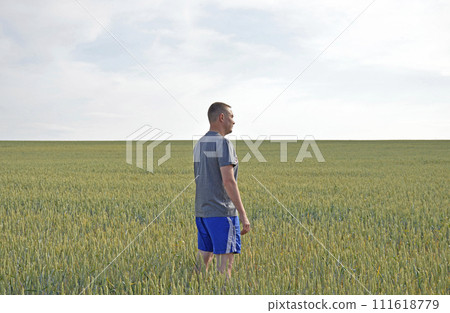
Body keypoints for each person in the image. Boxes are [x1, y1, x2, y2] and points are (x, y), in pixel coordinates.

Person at [193, 102, 251, 278]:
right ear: (221, 117)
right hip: (222, 212)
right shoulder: (223, 144)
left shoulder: (200, 144)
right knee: (224, 270)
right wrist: (242, 214)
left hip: (202, 212)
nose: (234, 121)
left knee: (202, 263)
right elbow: (228, 181)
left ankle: (193, 291)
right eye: (232, 117)